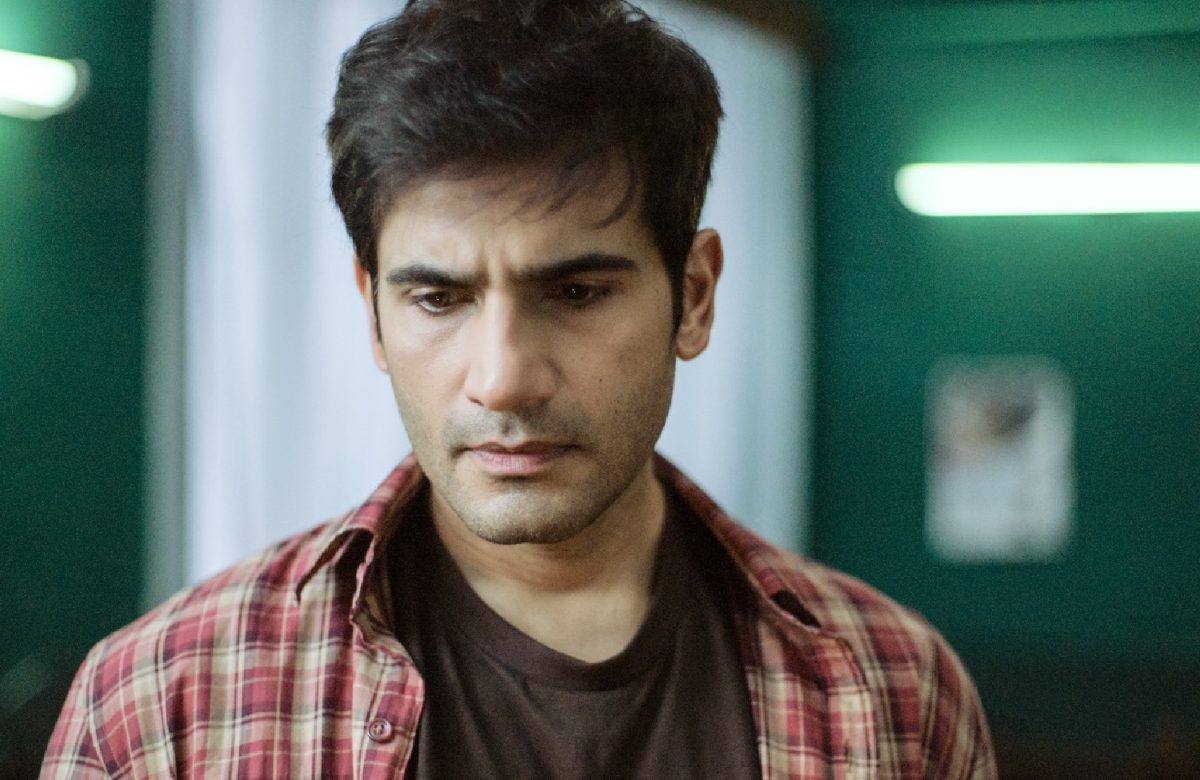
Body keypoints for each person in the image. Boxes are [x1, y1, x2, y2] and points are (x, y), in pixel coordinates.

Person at [42, 0, 997, 777]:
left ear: (695, 297)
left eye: (576, 293)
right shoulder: (162, 708)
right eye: (438, 298)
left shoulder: (897, 693)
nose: (503, 379)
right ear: (373, 314)